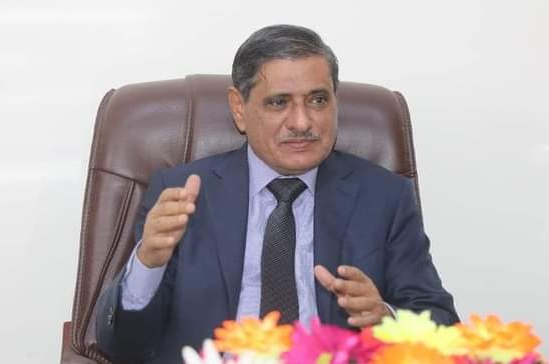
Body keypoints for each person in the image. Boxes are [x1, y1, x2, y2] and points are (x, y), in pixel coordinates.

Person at [95, 25, 458, 363]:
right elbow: (123, 347)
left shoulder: (384, 197)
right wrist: (148, 263)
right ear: (239, 108)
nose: (301, 122)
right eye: (278, 102)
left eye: (318, 100)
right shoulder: (180, 195)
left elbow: (442, 325)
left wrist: (385, 319)